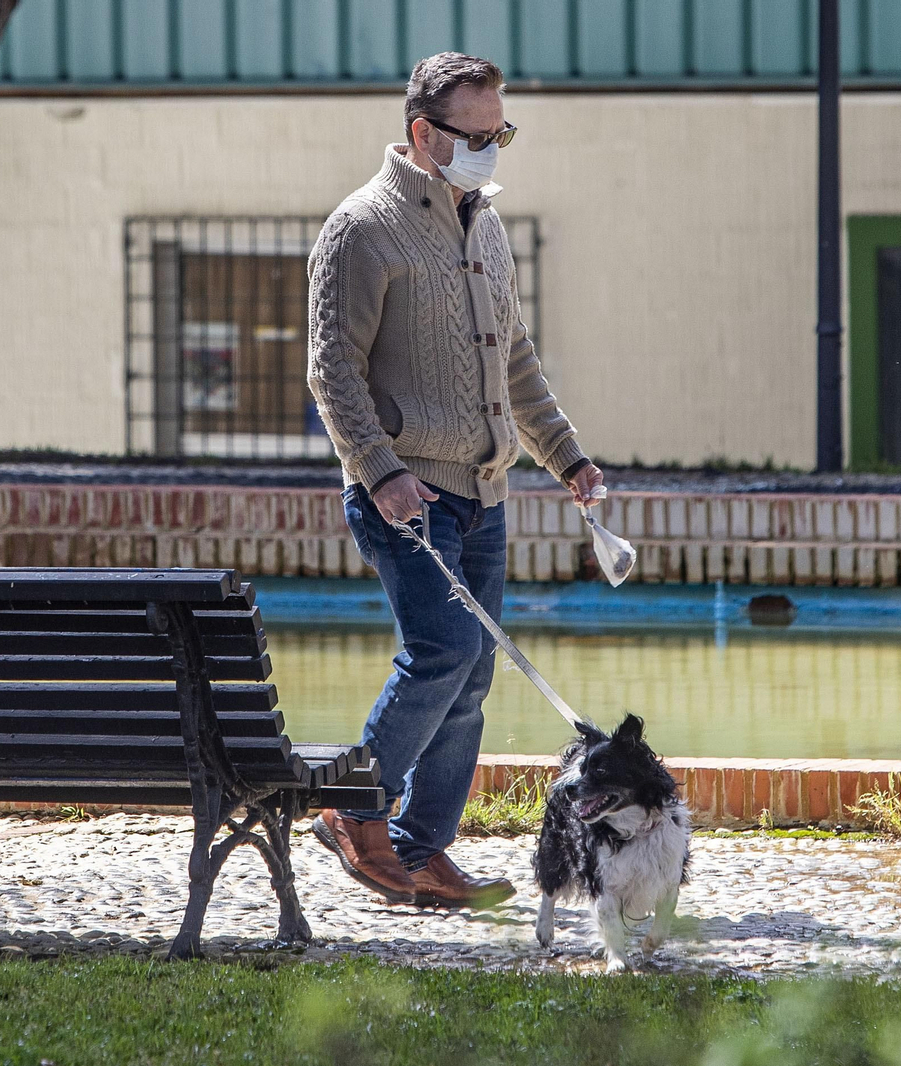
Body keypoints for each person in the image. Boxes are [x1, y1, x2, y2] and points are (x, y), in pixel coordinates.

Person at [306, 51, 603, 909]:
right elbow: (332, 372)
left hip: (485, 494)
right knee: (446, 649)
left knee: (473, 677)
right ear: (421, 133)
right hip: (407, 494)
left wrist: (569, 458)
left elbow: (515, 362)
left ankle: (420, 847)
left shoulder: (486, 227)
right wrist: (381, 473)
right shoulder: (362, 228)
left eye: (499, 132)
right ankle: (353, 805)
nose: (489, 148)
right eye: (474, 135)